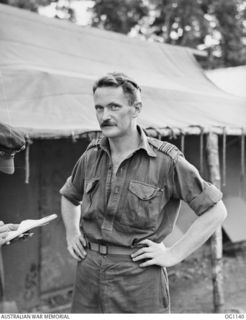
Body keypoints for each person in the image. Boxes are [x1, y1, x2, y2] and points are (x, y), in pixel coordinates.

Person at [60, 72, 227, 313]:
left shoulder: (166, 161)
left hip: (138, 276)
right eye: (99, 108)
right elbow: (69, 195)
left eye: (114, 107)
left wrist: (173, 254)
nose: (105, 116)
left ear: (136, 108)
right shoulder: (91, 155)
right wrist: (72, 233)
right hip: (88, 273)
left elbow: (216, 211)